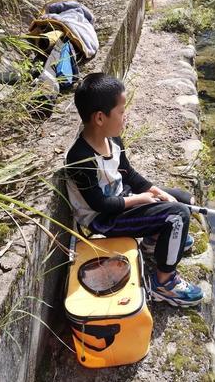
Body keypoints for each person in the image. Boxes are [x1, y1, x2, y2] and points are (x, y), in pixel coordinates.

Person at [65, 72, 203, 307]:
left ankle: (156, 240)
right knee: (178, 216)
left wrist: (155, 191)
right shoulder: (80, 158)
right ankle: (164, 283)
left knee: (182, 199)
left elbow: (130, 174)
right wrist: (141, 199)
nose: (125, 116)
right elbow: (100, 205)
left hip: (122, 202)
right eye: (121, 111)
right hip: (104, 220)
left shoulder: (113, 140)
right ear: (100, 118)